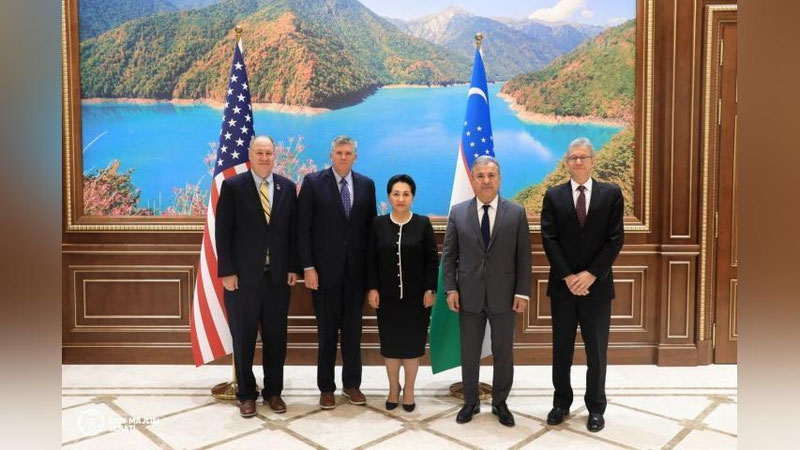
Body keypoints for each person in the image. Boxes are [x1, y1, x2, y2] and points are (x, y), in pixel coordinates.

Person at [540, 137, 624, 432]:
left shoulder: (611, 194)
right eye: (572, 157)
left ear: (592, 160)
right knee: (561, 349)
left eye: (582, 157)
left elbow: (615, 239)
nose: (577, 161)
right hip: (563, 288)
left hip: (597, 287)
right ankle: (560, 403)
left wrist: (591, 274)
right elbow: (549, 239)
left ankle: (596, 407)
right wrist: (568, 276)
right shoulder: (553, 195)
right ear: (567, 162)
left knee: (596, 352)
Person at [441, 155, 531, 427]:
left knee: (503, 352)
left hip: (505, 295)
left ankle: (500, 403)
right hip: (468, 294)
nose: (486, 180)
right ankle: (470, 402)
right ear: (473, 180)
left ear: (499, 179)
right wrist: (450, 289)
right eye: (480, 175)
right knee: (469, 352)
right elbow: (449, 256)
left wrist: (522, 292)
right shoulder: (458, 213)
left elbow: (524, 256)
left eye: (491, 175)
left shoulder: (516, 212)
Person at [216, 135, 298, 417]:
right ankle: (246, 394)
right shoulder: (233, 186)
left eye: (268, 153)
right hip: (242, 280)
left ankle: (273, 392)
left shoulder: (287, 187)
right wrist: (227, 271)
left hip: (277, 279)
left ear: (275, 155)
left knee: (276, 339)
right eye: (259, 153)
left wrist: (293, 267)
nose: (264, 158)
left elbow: (293, 233)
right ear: (250, 155)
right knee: (244, 339)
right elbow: (223, 232)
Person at [297, 135, 377, 409]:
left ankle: (352, 385)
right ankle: (326, 388)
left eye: (348, 153)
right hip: (323, 275)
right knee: (327, 334)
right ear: (331, 155)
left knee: (353, 334)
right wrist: (308, 267)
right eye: (339, 152)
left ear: (355, 157)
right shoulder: (313, 182)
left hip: (356, 276)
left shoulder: (367, 185)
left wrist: (370, 278)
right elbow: (303, 229)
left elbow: (370, 232)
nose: (343, 157)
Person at [366, 174, 438, 412]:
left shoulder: (422, 223)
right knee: (391, 346)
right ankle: (393, 388)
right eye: (396, 194)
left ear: (412, 197)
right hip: (386, 298)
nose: (400, 198)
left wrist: (431, 289)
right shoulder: (378, 224)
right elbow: (371, 260)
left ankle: (409, 390)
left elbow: (432, 260)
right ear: (389, 197)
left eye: (406, 194)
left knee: (412, 346)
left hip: (417, 299)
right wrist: (372, 288)